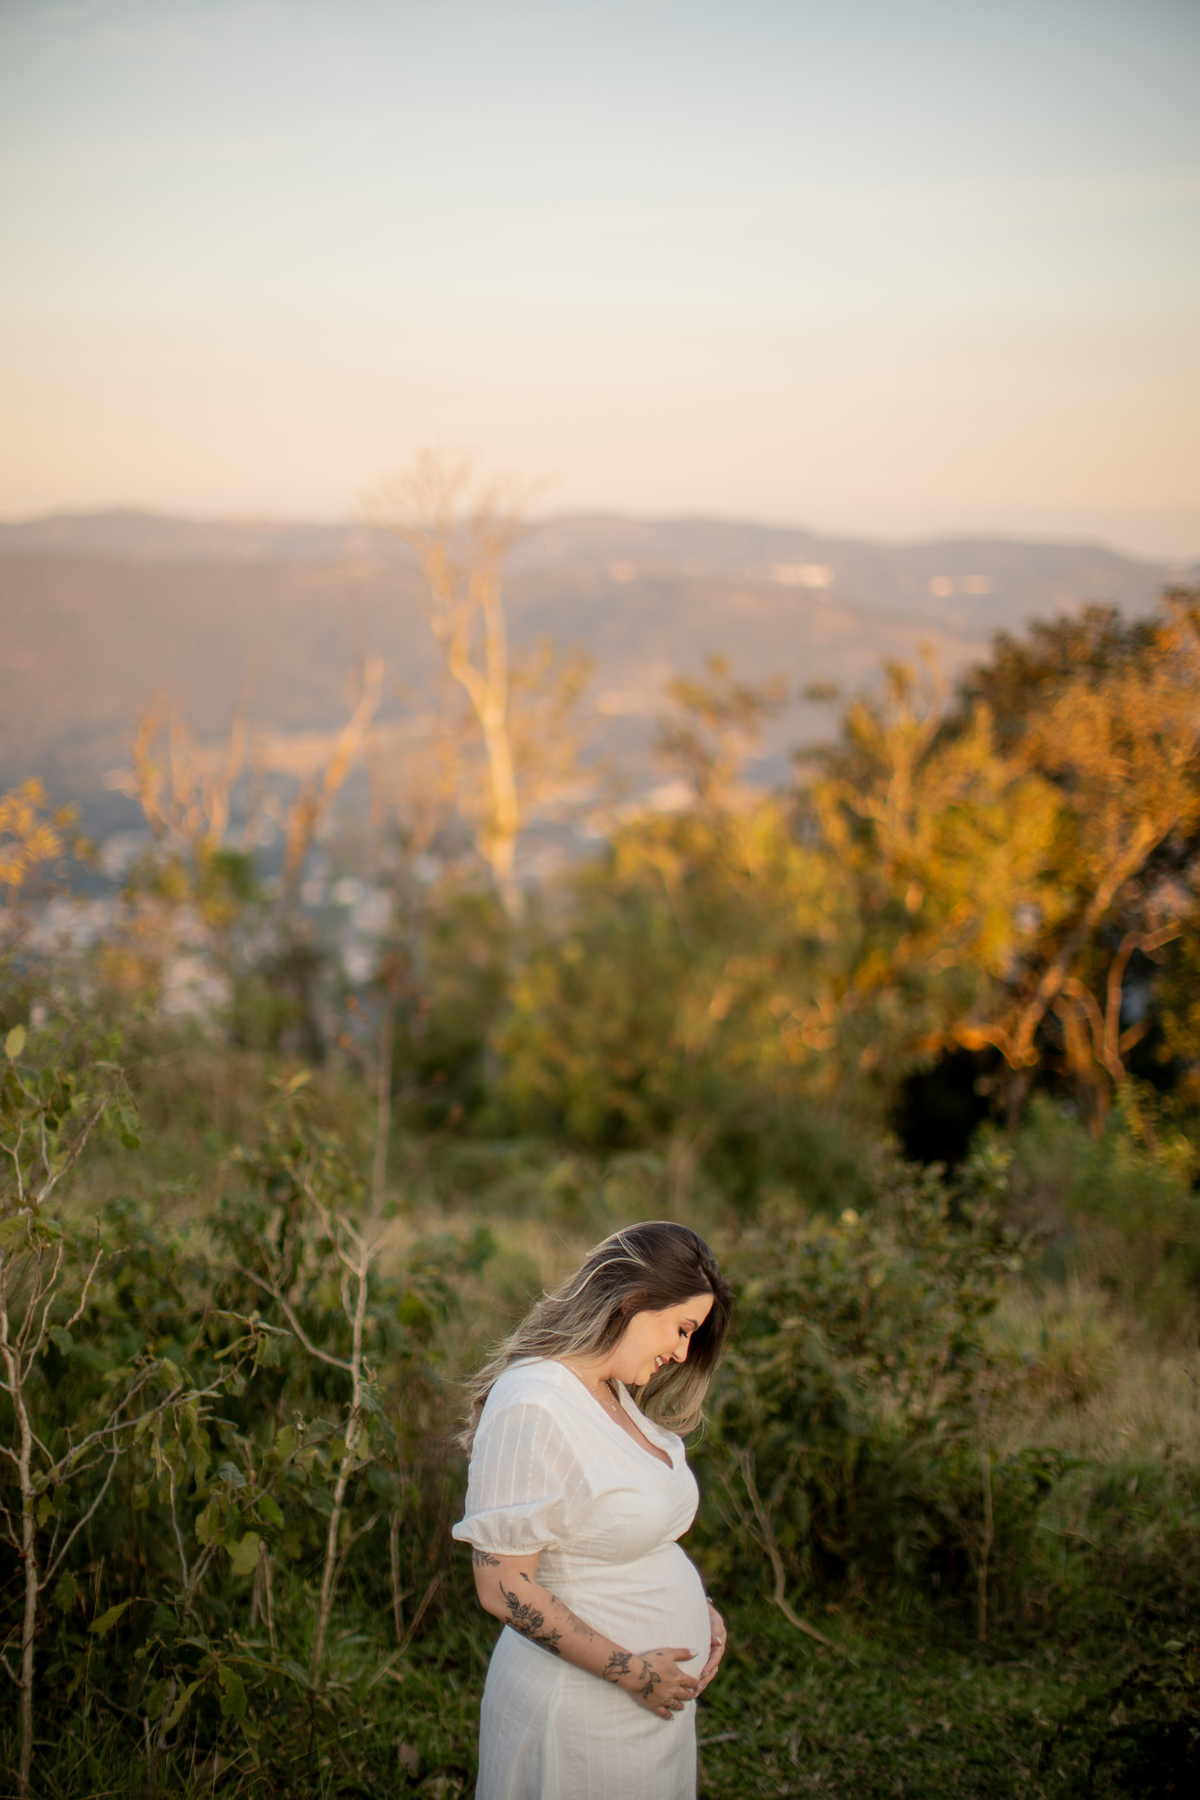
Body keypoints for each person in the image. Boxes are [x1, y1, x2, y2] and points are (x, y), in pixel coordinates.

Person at [452, 1220, 734, 1800]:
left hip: (644, 1712)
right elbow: (502, 1585)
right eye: (681, 1329)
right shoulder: (533, 1401)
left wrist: (695, 1607)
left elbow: (619, 1535)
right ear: (633, 1301)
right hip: (579, 1715)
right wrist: (636, 1673)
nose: (682, 1353)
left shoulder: (610, 1392)